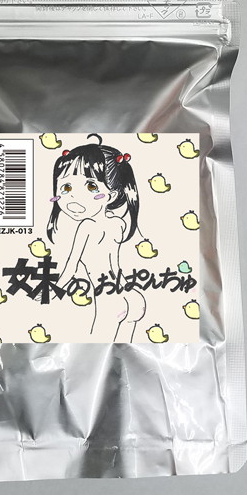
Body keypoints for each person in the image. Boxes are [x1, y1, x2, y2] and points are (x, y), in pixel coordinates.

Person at [47, 134, 146, 342]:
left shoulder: (87, 226)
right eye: (66, 187)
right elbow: (114, 265)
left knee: (95, 353)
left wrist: (52, 291)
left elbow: (71, 267)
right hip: (131, 295)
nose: (73, 196)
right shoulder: (118, 223)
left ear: (111, 195)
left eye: (91, 186)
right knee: (125, 353)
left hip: (109, 299)